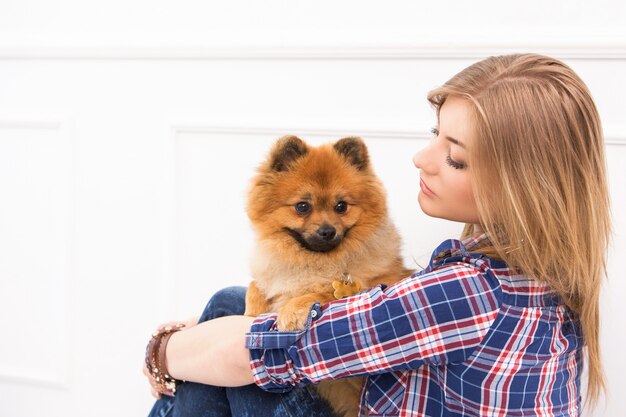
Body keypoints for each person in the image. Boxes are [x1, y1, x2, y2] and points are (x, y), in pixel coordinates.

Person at [144, 53, 610, 416]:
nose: (422, 159)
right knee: (231, 309)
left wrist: (162, 353)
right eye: (435, 135)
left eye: (456, 158)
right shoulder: (544, 278)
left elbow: (263, 354)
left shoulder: (462, 292)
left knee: (223, 333)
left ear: (520, 186)